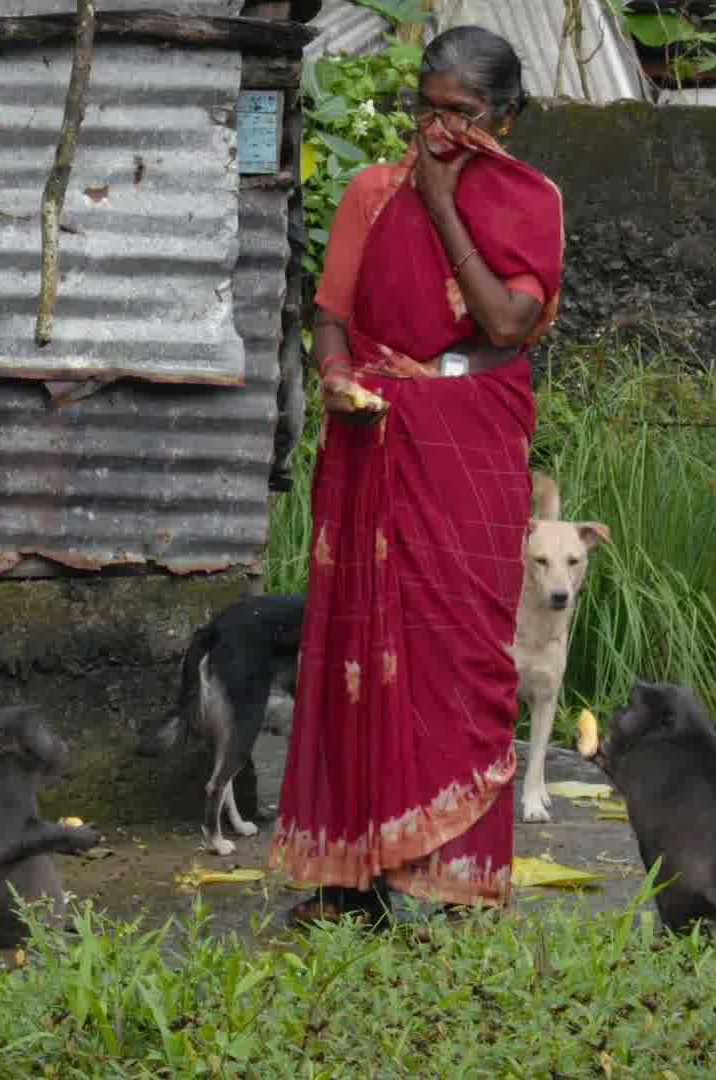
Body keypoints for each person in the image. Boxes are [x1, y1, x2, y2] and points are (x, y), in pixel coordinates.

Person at [266, 25, 565, 925]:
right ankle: (353, 881)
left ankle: (450, 883)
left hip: (471, 436)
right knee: (360, 653)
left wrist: (442, 202)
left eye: (462, 114)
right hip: (372, 440)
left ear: (506, 117)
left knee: (460, 653)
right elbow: (331, 316)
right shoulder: (368, 192)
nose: (438, 130)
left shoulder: (529, 201)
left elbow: (507, 324)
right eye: (428, 109)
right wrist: (332, 375)